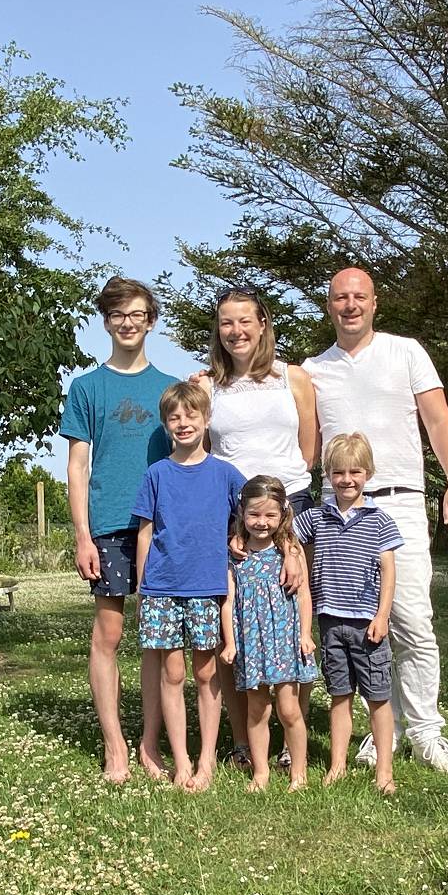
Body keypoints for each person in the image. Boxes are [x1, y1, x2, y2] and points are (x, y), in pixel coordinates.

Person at [301, 267, 448, 776]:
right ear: (328, 305)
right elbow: (296, 433)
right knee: (352, 622)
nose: (350, 305)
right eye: (340, 297)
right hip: (339, 510)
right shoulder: (314, 370)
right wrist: (209, 381)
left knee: (411, 622)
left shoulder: (406, 352)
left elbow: (439, 420)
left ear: (375, 303)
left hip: (399, 503)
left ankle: (425, 731)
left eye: (359, 296)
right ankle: (384, 728)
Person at [194, 289, 317, 773]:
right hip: (231, 513)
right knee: (235, 625)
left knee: (289, 619)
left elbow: (309, 450)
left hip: (290, 506)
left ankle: (293, 737)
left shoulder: (295, 378)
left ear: (264, 323)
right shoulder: (208, 387)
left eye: (245, 321)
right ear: (218, 330)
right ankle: (245, 740)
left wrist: (286, 532)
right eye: (226, 322)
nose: (236, 331)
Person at [62, 277, 175, 784]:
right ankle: (115, 745)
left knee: (155, 639)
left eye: (137, 314)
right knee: (109, 633)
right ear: (106, 322)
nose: (127, 323)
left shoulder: (172, 389)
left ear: (151, 320)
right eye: (117, 316)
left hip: (162, 526)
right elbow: (77, 466)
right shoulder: (87, 388)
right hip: (108, 524)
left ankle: (150, 745)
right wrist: (82, 535)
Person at [132, 381, 246, 790]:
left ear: (206, 420)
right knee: (173, 673)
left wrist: (239, 539)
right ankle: (181, 760)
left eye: (191, 415)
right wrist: (145, 588)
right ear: (166, 424)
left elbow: (254, 515)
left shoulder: (226, 474)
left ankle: (207, 760)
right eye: (174, 418)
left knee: (206, 671)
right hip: (162, 588)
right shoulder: (156, 474)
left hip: (208, 586)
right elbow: (145, 534)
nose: (183, 423)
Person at [293, 433, 402, 794]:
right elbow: (285, 537)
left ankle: (384, 772)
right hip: (329, 621)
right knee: (339, 696)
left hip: (367, 624)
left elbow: (388, 571)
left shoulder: (379, 520)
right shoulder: (315, 517)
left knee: (377, 698)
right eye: (338, 472)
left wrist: (382, 615)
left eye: (355, 471)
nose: (347, 479)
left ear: (368, 473)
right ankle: (337, 765)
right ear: (327, 475)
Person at [220, 475, 317, 792]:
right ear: (242, 513)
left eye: (270, 515)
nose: (261, 522)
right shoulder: (236, 554)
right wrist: (231, 642)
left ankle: (298, 773)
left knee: (289, 709)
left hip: (284, 641)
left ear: (282, 514)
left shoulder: (289, 549)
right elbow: (228, 600)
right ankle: (260, 773)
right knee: (257, 709)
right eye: (254, 515)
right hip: (250, 642)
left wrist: (305, 633)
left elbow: (303, 596)